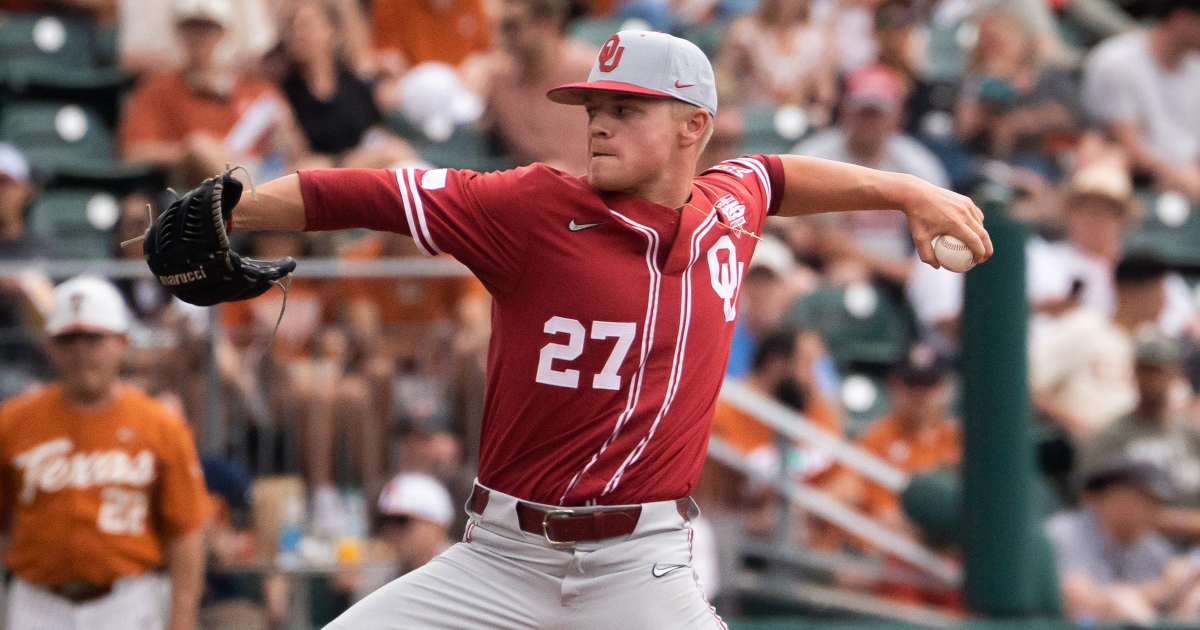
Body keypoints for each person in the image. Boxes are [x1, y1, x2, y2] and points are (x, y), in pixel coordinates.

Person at [154, 29, 990, 629]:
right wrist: (235, 205)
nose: (598, 122)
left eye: (626, 109)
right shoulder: (532, 207)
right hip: (499, 559)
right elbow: (367, 193)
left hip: (641, 566)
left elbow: (780, 175)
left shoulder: (731, 204)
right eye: (594, 105)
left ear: (693, 127)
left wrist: (906, 191)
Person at [0, 276, 210, 630]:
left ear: (122, 343)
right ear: (49, 346)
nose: (81, 350)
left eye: (94, 338)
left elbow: (186, 531)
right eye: (68, 338)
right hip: (36, 600)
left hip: (127, 598)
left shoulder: (160, 424)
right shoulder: (13, 420)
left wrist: (182, 618)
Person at [119, 0, 308, 187]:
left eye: (207, 29)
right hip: (199, 188)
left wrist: (285, 131)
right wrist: (187, 152)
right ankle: (251, 200)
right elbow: (133, 151)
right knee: (200, 147)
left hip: (261, 172)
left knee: (316, 166)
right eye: (191, 29)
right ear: (180, 33)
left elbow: (297, 153)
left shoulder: (258, 89)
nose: (199, 38)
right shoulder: (159, 89)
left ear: (222, 33)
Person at [793, 63, 950, 285]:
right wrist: (813, 241)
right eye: (861, 111)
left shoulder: (918, 166)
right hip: (825, 268)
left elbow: (938, 251)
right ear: (846, 111)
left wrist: (859, 256)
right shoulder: (814, 156)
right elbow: (790, 229)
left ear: (898, 116)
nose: (868, 122)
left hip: (900, 272)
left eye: (876, 113)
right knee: (842, 275)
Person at [1031, 255, 1171, 437]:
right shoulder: (1084, 327)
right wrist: (1075, 426)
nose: (1163, 302)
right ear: (1128, 290)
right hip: (1083, 454)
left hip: (1142, 453)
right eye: (1157, 291)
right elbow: (1025, 384)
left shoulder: (1153, 345)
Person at [1047, 458, 1200, 624]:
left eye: (1158, 503)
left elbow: (1168, 594)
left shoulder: (1148, 543)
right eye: (1148, 501)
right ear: (1115, 497)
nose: (1156, 512)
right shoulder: (1065, 532)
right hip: (1069, 624)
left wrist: (1183, 583)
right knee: (1123, 604)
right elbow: (1081, 601)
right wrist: (1162, 588)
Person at [1078, 332, 1200, 539]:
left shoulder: (1192, 435)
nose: (1150, 378)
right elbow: (1089, 507)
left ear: (1175, 373)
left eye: (1157, 370)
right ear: (1133, 371)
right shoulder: (1108, 437)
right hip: (1136, 551)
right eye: (1143, 369)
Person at [1082, 0, 1200, 201]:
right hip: (1136, 181)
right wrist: (1182, 178)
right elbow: (1127, 143)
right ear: (1181, 18)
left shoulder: (1195, 68)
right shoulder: (1116, 61)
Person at [838, 343, 961, 534]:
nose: (920, 394)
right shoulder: (876, 439)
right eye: (912, 383)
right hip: (888, 551)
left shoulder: (957, 440)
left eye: (928, 383)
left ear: (944, 389)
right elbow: (881, 512)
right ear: (895, 387)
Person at [280, 0, 416, 170]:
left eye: (306, 25)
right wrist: (346, 163)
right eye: (292, 27)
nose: (298, 34)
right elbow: (298, 162)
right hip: (324, 181)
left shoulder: (355, 85)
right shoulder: (285, 94)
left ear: (331, 31)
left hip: (369, 171)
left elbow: (383, 138)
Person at [463, 0, 595, 175]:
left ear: (547, 23)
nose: (500, 37)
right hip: (534, 191)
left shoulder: (593, 71)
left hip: (599, 190)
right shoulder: (496, 79)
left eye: (512, 26)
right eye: (498, 27)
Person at [714, 0, 837, 110]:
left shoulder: (819, 37)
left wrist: (805, 91)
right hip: (753, 113)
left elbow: (826, 95)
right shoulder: (744, 31)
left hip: (801, 114)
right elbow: (723, 77)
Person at [377, 472, 456, 574]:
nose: (392, 530)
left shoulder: (464, 572)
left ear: (437, 525)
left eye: (401, 521)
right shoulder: (388, 578)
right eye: (386, 521)